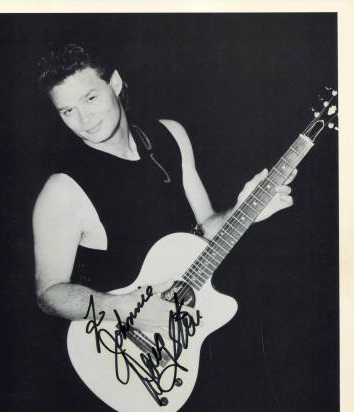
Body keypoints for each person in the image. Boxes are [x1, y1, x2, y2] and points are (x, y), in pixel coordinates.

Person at [33, 42, 296, 333]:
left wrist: (245, 209)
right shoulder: (63, 189)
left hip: (190, 328)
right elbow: (49, 293)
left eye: (91, 99)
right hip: (122, 348)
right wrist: (125, 308)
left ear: (115, 83)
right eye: (68, 110)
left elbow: (205, 229)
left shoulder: (170, 134)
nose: (84, 120)